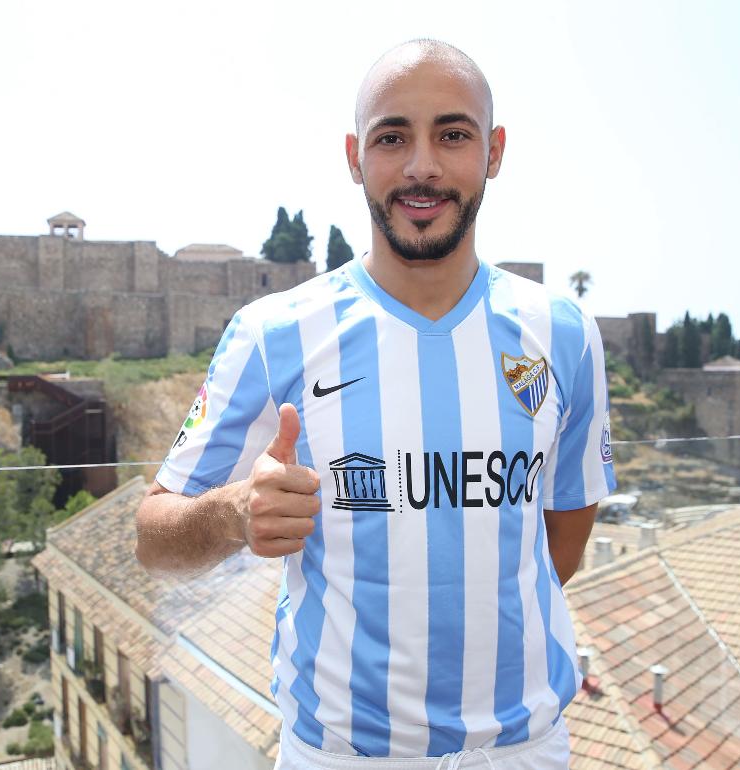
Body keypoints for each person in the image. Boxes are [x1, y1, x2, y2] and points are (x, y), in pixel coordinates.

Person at [136, 39, 617, 770]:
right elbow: (153, 537)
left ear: (494, 151)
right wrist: (234, 513)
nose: (422, 165)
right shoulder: (274, 334)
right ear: (356, 157)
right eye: (394, 137)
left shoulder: (565, 334)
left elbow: (566, 535)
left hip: (525, 753)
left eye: (452, 134)